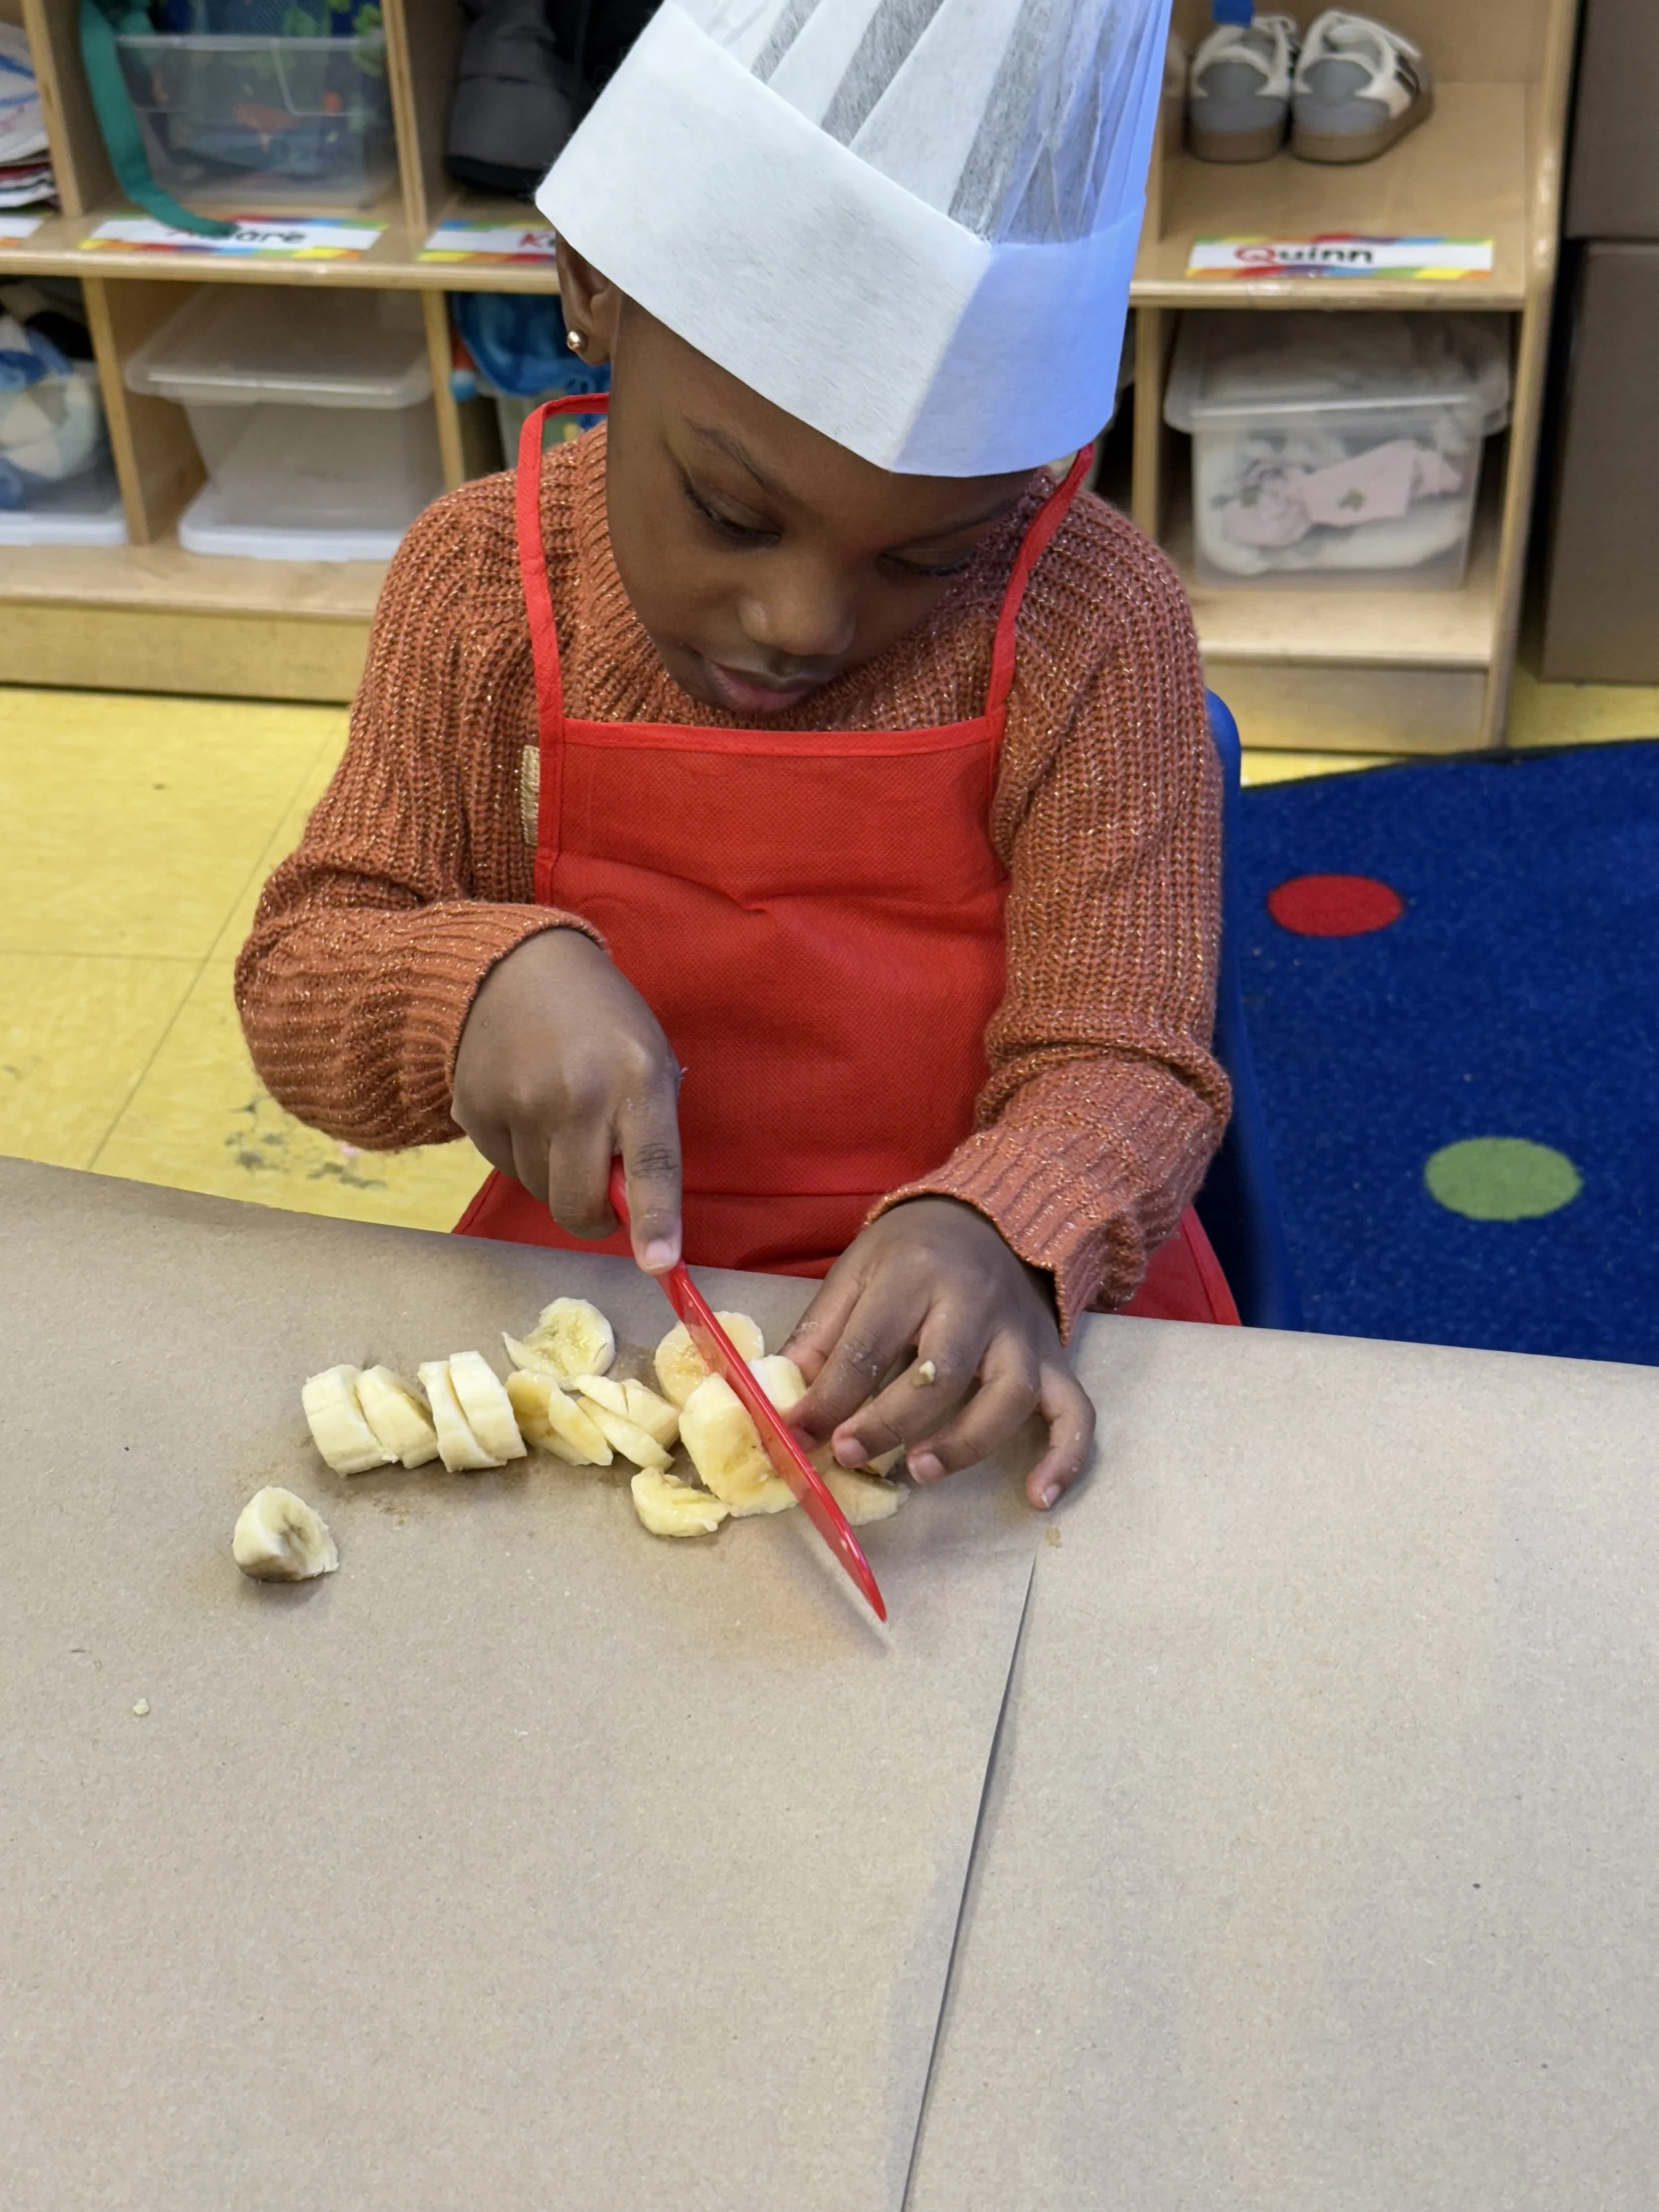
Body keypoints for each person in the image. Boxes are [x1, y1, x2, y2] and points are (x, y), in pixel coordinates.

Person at [236, 0, 1230, 1516]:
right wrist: (466, 987)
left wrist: (1009, 1223)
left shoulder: (1097, 627)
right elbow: (304, 973)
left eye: (929, 561)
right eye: (730, 514)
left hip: (994, 1319)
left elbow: (1125, 1056)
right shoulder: (481, 590)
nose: (800, 623)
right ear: (592, 287)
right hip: (609, 1310)